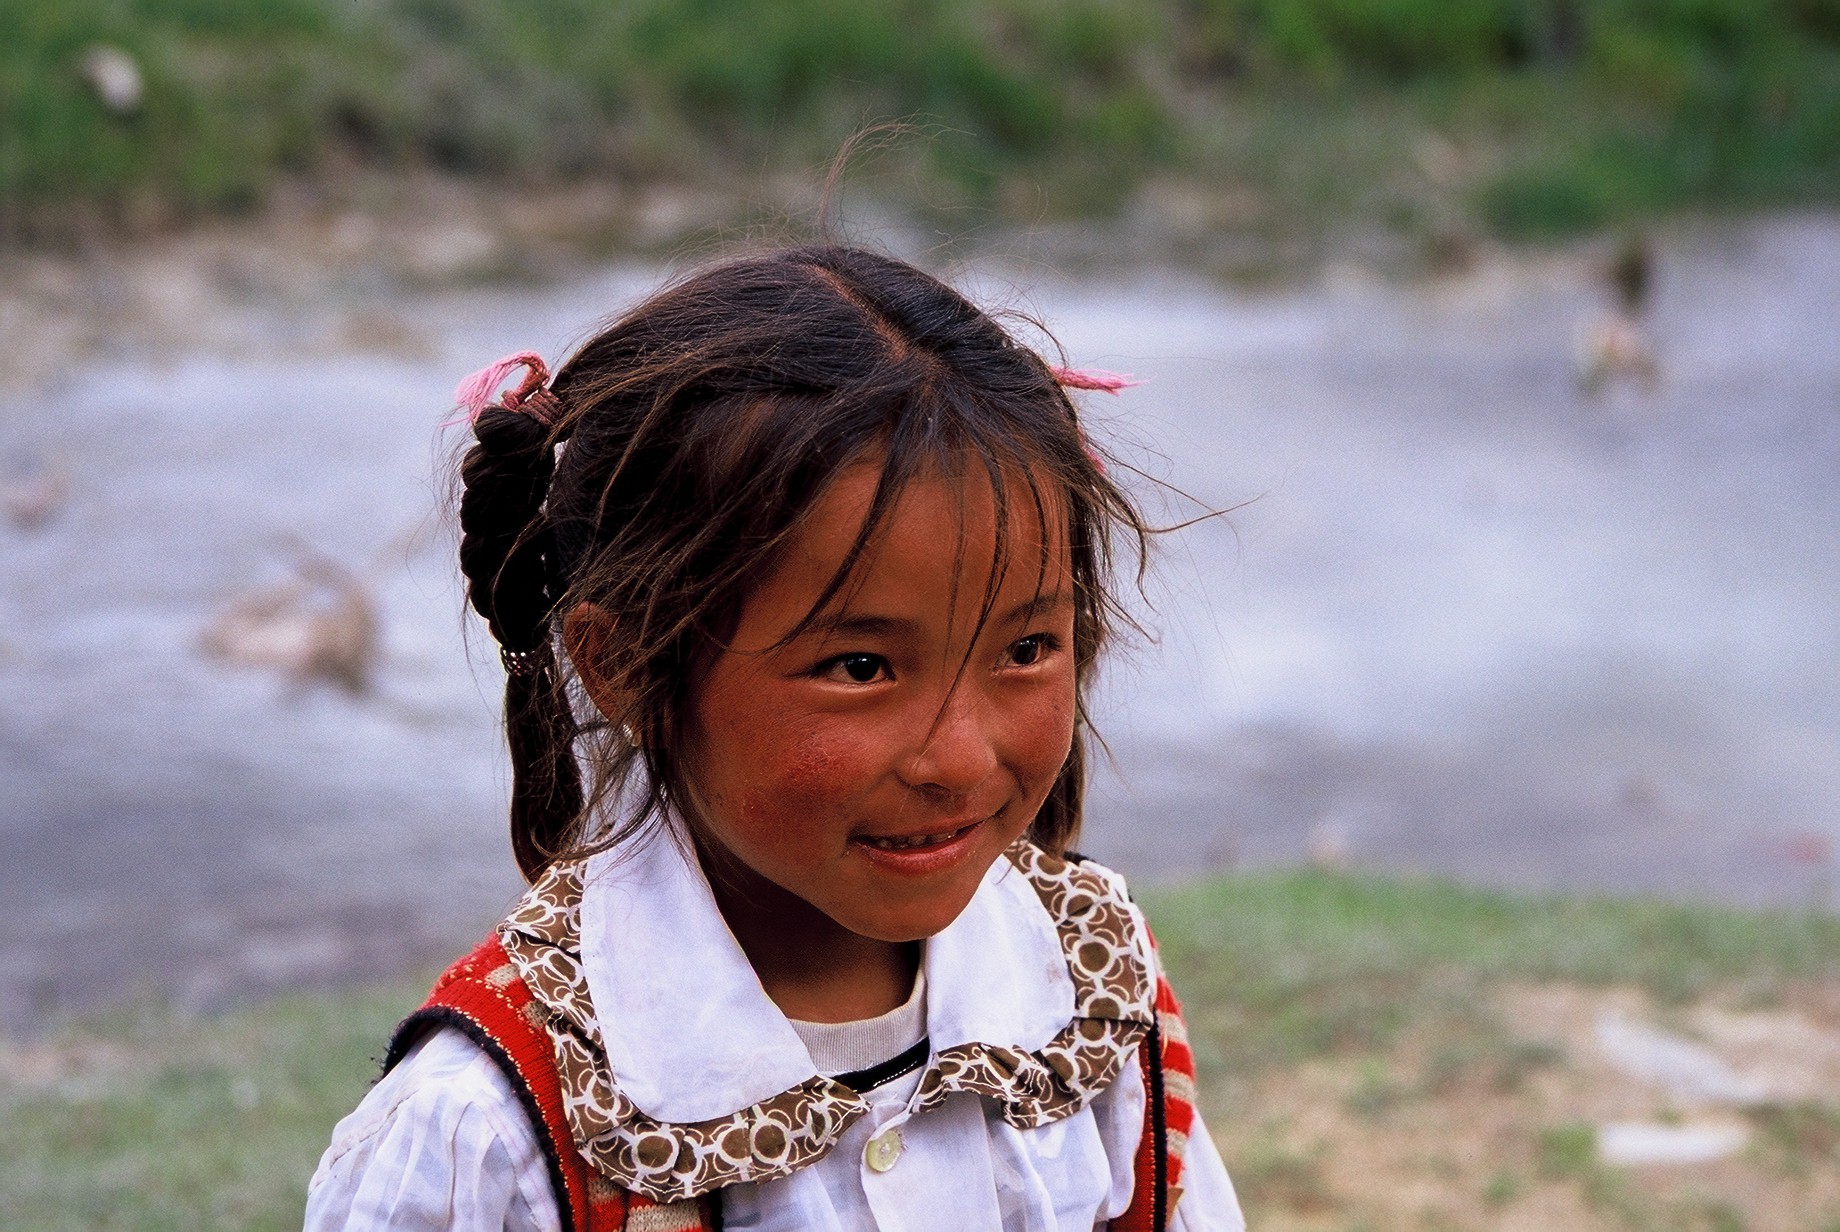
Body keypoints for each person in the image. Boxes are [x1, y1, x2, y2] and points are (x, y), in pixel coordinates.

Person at [305, 244, 1245, 1231]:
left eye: (1024, 645)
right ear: (622, 663)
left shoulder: (1087, 998)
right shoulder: (494, 1126)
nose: (961, 757)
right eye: (861, 666)